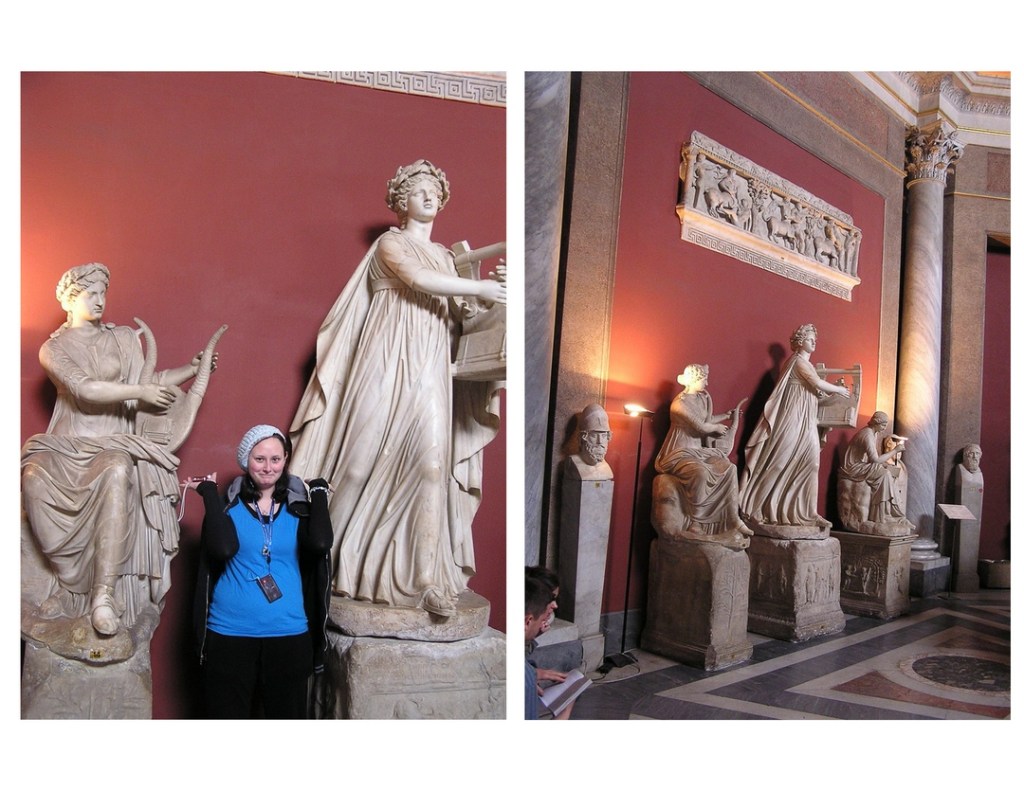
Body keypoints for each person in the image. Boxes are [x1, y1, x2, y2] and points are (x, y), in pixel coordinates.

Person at [288, 160, 506, 617]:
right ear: (400, 202)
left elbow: (466, 318)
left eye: (434, 191)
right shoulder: (391, 243)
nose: (428, 196)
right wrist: (478, 287)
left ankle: (425, 579)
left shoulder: (447, 257)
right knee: (357, 463)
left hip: (429, 367)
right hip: (384, 359)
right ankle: (319, 563)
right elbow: (419, 280)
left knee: (431, 466)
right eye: (418, 190)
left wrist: (494, 298)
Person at [21, 263, 213, 636]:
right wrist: (140, 392)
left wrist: (190, 369)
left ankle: (102, 596)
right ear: (69, 300)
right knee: (32, 479)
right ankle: (66, 579)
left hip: (113, 443)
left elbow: (146, 383)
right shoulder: (54, 348)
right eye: (88, 293)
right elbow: (86, 389)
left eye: (102, 293)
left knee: (117, 469)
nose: (98, 300)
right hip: (66, 444)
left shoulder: (123, 338)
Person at [191, 425, 332, 718]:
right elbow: (220, 549)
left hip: (288, 633)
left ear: (285, 461)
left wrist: (318, 492)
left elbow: (320, 543)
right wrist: (208, 494)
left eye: (276, 459)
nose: (268, 468)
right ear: (246, 461)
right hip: (229, 633)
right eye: (260, 459)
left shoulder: (299, 509)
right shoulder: (228, 507)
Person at [740, 324, 849, 528]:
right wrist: (838, 389)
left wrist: (835, 394)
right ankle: (756, 508)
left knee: (812, 462)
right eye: (810, 338)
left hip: (806, 420)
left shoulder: (809, 367)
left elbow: (817, 397)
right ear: (799, 342)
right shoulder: (798, 362)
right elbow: (817, 383)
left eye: (815, 339)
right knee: (779, 462)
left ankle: (808, 512)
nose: (814, 342)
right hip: (791, 419)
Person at [653, 363, 751, 539]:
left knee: (729, 469)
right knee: (701, 473)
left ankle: (733, 519)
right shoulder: (679, 404)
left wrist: (726, 416)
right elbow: (700, 426)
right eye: (704, 379)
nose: (706, 383)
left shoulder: (701, 399)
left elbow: (706, 419)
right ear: (694, 380)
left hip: (700, 450)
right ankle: (695, 523)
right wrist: (717, 427)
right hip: (680, 452)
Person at [837, 411, 910, 532]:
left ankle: (886, 512)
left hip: (861, 465)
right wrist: (895, 450)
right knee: (884, 473)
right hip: (852, 468)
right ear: (876, 423)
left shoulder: (873, 433)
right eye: (883, 425)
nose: (884, 428)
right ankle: (882, 515)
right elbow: (875, 460)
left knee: (886, 471)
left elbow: (873, 459)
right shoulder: (867, 434)